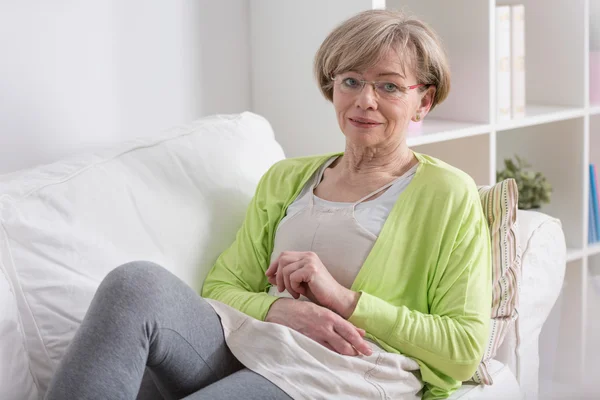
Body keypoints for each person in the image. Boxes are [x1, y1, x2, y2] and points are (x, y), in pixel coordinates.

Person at [45, 9, 491, 400]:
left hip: (339, 373)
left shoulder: (447, 193)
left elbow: (464, 348)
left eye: (389, 86)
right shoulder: (286, 179)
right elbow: (220, 289)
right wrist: (284, 311)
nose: (364, 100)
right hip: (251, 342)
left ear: (423, 101)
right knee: (135, 282)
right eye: (350, 81)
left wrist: (343, 300)